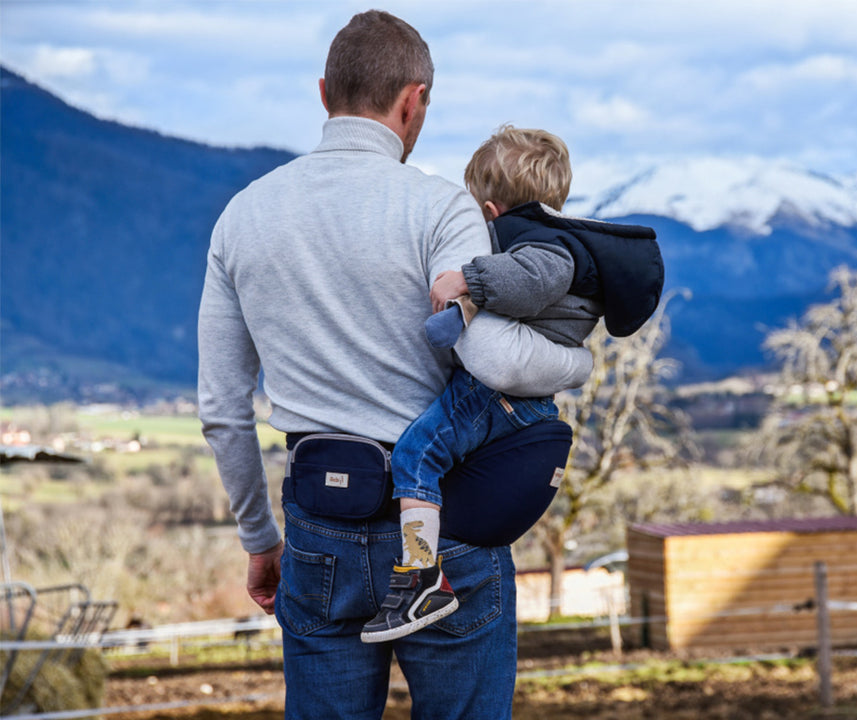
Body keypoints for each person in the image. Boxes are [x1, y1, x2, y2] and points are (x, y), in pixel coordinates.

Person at [198, 10, 589, 718]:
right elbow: (496, 360)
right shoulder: (443, 211)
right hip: (449, 537)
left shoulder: (242, 217)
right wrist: (574, 363)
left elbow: (223, 412)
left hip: (319, 529)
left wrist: (261, 538)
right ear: (415, 100)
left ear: (324, 94)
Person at [361, 126, 663, 643]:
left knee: (417, 456)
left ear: (492, 210)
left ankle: (420, 577)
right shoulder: (553, 237)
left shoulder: (547, 246)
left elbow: (533, 283)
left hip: (495, 395)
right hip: (516, 396)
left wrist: (469, 279)